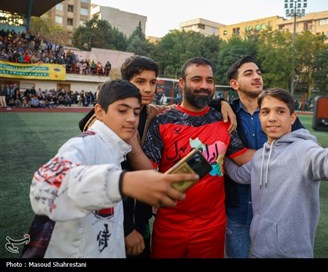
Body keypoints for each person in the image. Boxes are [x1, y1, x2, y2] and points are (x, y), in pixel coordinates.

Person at [78, 55, 237, 258]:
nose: (148, 89)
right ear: (124, 84)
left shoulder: (149, 110)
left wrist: (220, 103)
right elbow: (107, 179)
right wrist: (126, 229)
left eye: (152, 82)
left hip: (141, 215)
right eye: (140, 82)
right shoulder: (107, 121)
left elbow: (186, 107)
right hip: (115, 221)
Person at [23, 79, 198, 258]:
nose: (131, 119)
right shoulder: (84, 145)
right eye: (122, 110)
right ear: (99, 112)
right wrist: (124, 183)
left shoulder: (117, 149)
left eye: (136, 113)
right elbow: (44, 188)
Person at [224, 88, 328, 258]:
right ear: (260, 118)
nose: (272, 118)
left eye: (280, 111)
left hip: (292, 254)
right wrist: (220, 157)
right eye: (265, 112)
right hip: (258, 251)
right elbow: (238, 174)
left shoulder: (303, 150)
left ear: (292, 118)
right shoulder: (259, 157)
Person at [142, 57, 255, 258]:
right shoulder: (162, 121)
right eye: (196, 79)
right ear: (182, 84)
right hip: (169, 227)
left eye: (209, 80)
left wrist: (285, 148)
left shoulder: (223, 120)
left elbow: (243, 157)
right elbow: (147, 172)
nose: (204, 86)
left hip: (212, 227)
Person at [224, 56, 304, 258]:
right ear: (234, 84)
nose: (257, 76)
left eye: (258, 72)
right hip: (237, 210)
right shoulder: (225, 113)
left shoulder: (277, 111)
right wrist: (220, 103)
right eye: (248, 73)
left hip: (274, 213)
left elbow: (304, 145)